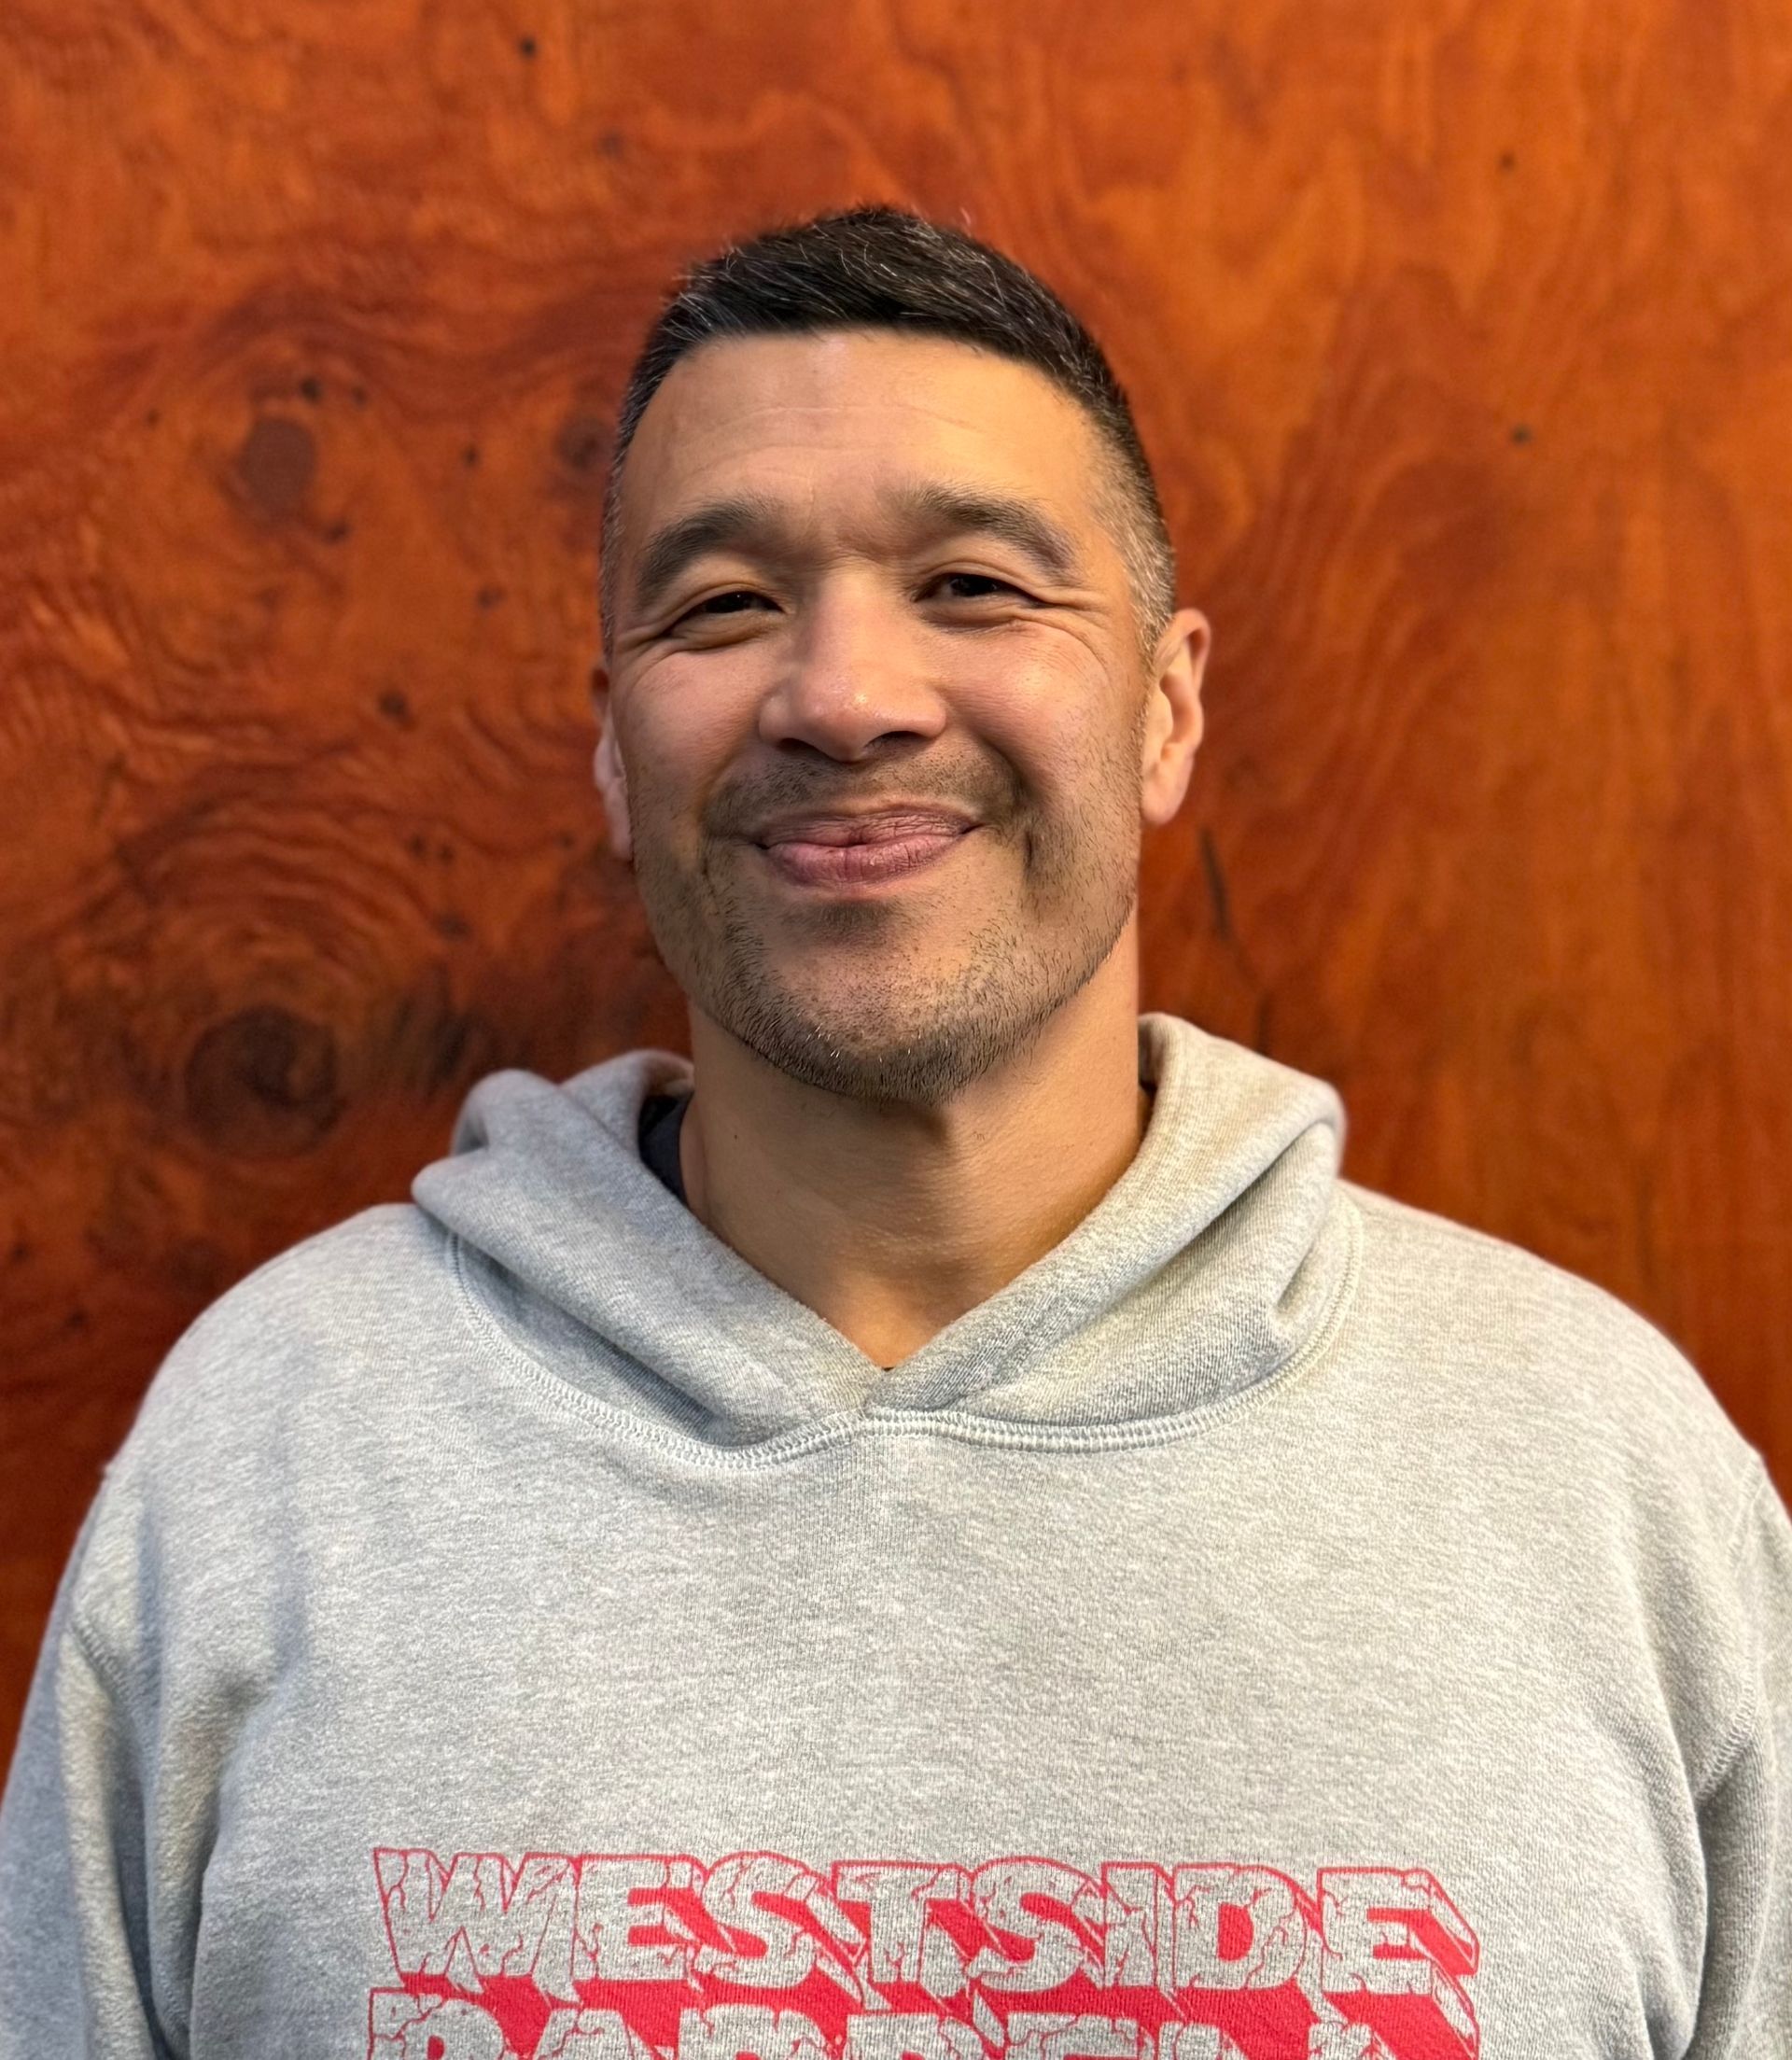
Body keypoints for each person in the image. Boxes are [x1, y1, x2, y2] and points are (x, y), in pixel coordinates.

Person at [0, 206, 1785, 2059]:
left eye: (976, 589)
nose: (843, 696)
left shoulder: (1599, 1475)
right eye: (722, 607)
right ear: (615, 747)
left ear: (1166, 706)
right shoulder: (270, 1458)